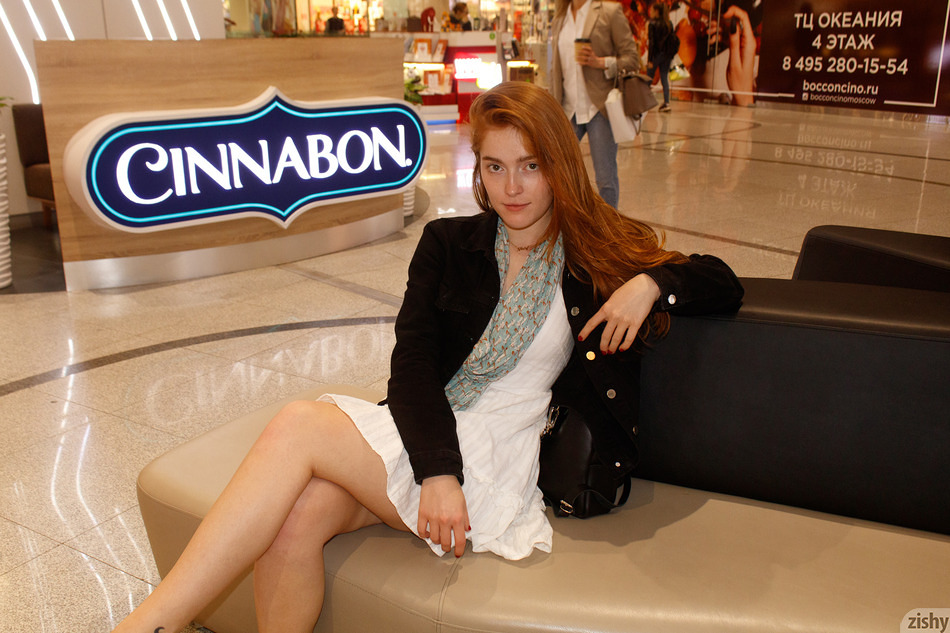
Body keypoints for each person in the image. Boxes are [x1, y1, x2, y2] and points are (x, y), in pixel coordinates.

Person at [110, 81, 743, 633]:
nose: (512, 187)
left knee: (299, 423)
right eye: (494, 167)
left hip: (498, 454)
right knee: (297, 519)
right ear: (477, 170)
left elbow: (722, 280)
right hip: (432, 435)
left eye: (530, 166)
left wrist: (652, 283)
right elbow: (411, 364)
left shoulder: (594, 250)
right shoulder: (448, 243)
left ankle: (144, 625)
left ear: (558, 165)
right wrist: (437, 471)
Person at [550, 0, 640, 210]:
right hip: (567, 109)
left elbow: (632, 59)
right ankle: (568, 222)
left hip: (599, 108)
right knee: (557, 174)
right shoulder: (560, 18)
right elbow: (555, 68)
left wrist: (601, 62)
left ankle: (609, 227)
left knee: (605, 178)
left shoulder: (609, 12)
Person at [647, 1, 674, 112]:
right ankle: (666, 102)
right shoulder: (669, 24)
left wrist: (650, 59)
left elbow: (652, 43)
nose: (650, 12)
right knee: (664, 77)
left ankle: (643, 101)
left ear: (656, 11)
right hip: (667, 55)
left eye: (652, 10)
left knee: (648, 78)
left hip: (656, 55)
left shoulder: (652, 24)